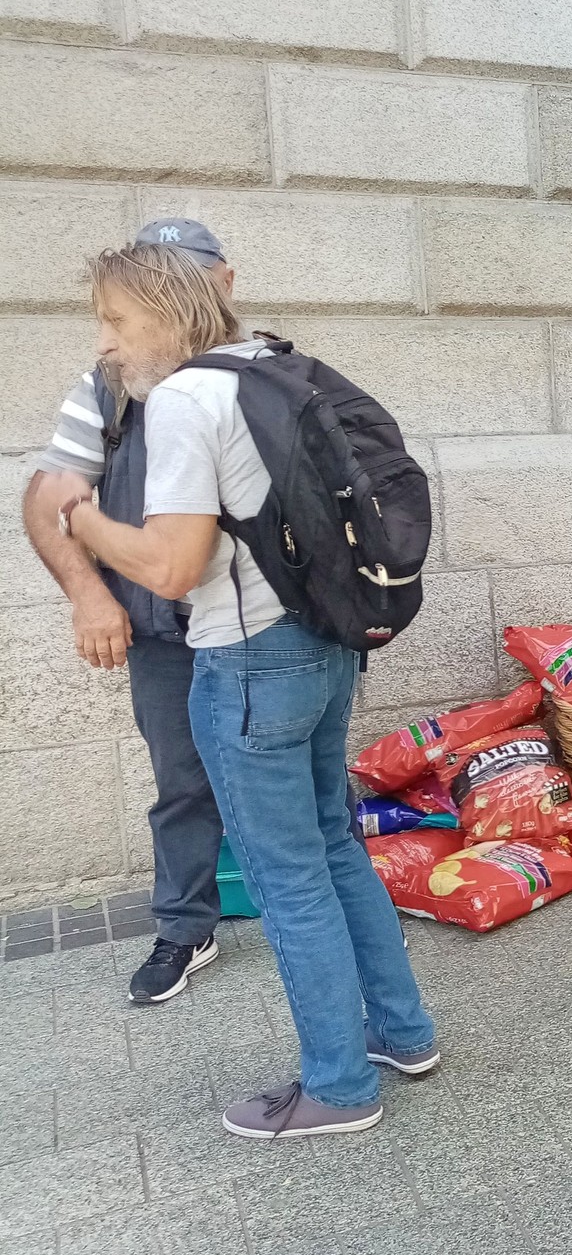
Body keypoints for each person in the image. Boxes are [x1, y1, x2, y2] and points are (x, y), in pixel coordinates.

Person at [46, 242, 438, 1136]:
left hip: (251, 668)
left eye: (115, 321)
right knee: (336, 850)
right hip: (324, 645)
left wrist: (82, 515)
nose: (105, 343)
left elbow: (173, 567)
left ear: (166, 311)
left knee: (287, 878)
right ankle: (403, 1034)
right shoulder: (269, 362)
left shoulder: (186, 397)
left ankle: (338, 1088)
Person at [21, 218, 232, 1005]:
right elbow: (49, 496)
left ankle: (322, 915)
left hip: (260, 630)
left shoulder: (262, 371)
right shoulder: (109, 385)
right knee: (182, 781)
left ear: (220, 285)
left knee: (303, 782)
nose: (109, 334)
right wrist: (89, 594)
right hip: (165, 628)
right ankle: (186, 928)